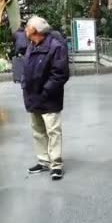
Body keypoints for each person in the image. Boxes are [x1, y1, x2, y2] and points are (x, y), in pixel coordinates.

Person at [23, 16, 70, 180]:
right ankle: (43, 161)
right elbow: (27, 68)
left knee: (53, 131)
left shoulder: (56, 47)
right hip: (32, 96)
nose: (25, 29)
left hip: (49, 98)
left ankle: (56, 165)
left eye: (27, 26)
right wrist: (25, 85)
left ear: (34, 30)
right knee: (38, 131)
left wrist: (45, 92)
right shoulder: (31, 45)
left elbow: (60, 74)